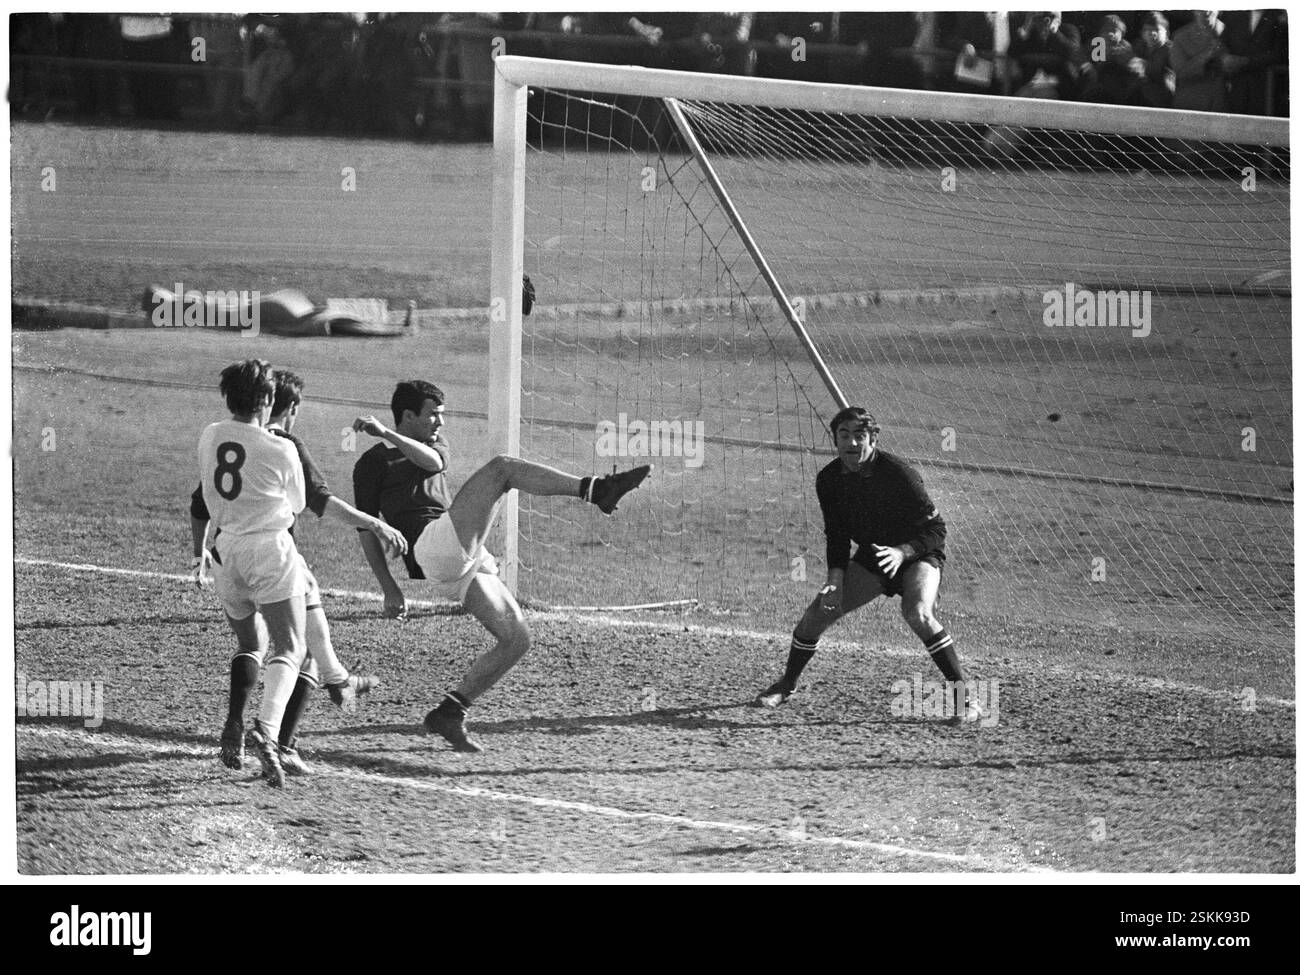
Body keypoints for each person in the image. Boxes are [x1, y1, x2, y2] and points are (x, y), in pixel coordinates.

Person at [352, 380, 651, 752]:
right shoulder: (371, 462)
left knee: (516, 640)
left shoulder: (432, 447)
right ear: (408, 416)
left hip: (458, 554)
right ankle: (596, 490)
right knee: (502, 469)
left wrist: (386, 434)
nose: (439, 424)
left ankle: (450, 711)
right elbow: (366, 529)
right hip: (431, 547)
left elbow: (433, 462)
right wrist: (389, 588)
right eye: (432, 416)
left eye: (441, 417)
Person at [192, 369, 406, 776]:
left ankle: (334, 677)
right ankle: (268, 732)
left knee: (259, 634)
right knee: (291, 648)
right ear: (269, 401)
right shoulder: (282, 449)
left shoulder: (209, 435)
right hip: (268, 549)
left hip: (223, 551)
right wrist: (376, 524)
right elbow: (303, 505)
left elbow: (205, 495)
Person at [754, 407, 981, 724]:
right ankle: (786, 685)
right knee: (817, 614)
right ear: (835, 439)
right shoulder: (829, 479)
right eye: (843, 435)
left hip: (917, 553)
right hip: (873, 557)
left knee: (917, 613)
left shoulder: (899, 473)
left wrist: (901, 553)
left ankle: (966, 701)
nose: (851, 443)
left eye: (859, 436)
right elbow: (836, 535)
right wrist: (834, 581)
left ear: (873, 439)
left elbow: (936, 530)